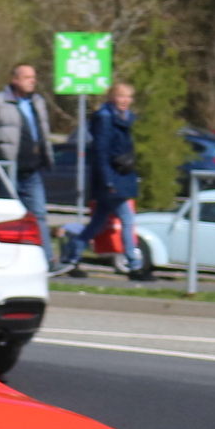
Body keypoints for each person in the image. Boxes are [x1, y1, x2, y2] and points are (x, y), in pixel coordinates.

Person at [59, 80, 148, 280]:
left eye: (128, 96)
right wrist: (108, 181)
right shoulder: (105, 118)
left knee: (97, 223)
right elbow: (101, 151)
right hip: (111, 179)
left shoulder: (123, 118)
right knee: (127, 220)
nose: (125, 100)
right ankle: (134, 266)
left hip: (120, 176)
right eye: (121, 96)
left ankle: (71, 257)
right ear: (111, 97)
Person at [0, 61, 54, 220]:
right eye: (27, 77)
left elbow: (42, 133)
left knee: (39, 215)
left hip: (32, 171)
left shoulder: (38, 102)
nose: (32, 81)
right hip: (8, 169)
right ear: (15, 79)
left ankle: (43, 246)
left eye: (33, 77)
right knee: (8, 217)